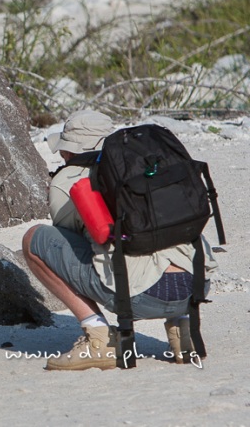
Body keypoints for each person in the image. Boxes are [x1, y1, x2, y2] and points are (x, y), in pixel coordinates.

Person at [22, 110, 219, 370]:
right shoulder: (153, 162)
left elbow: (67, 242)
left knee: (35, 240)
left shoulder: (67, 180)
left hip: (140, 296)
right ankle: (183, 333)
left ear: (71, 149)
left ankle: (99, 338)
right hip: (195, 288)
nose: (61, 154)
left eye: (64, 148)